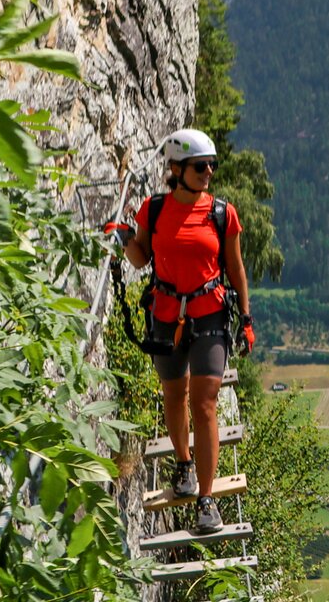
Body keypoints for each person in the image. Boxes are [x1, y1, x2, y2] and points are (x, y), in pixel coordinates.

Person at [111, 129, 254, 534]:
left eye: (212, 165)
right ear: (176, 169)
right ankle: (183, 463)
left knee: (205, 402)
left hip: (210, 314)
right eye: (199, 166)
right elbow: (141, 259)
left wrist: (245, 319)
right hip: (166, 313)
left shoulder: (223, 213)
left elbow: (237, 268)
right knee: (174, 392)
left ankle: (206, 500)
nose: (208, 172)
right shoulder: (153, 210)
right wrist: (123, 238)